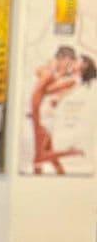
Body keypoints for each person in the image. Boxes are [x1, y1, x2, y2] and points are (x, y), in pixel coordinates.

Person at [29, 46, 95, 174]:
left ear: (83, 66)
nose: (74, 61)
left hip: (45, 116)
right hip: (46, 113)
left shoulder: (73, 80)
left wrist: (53, 75)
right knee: (45, 155)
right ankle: (59, 174)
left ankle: (72, 152)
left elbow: (47, 90)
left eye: (78, 60)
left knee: (39, 156)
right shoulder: (71, 77)